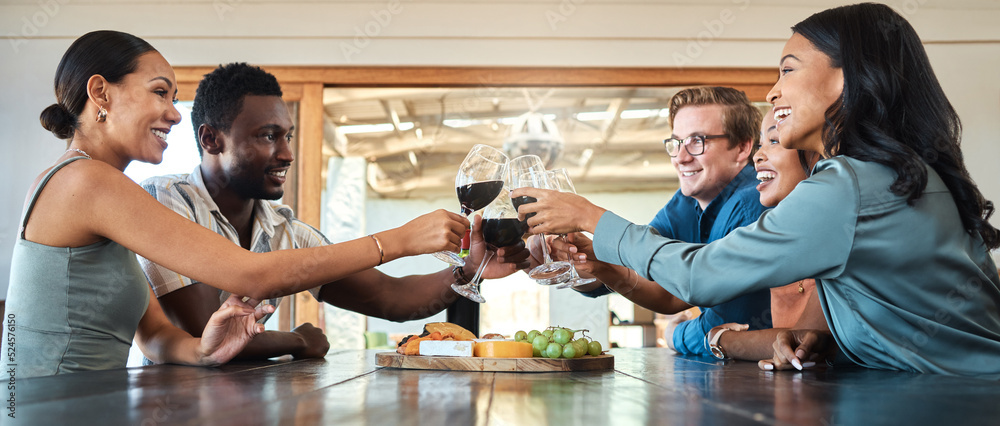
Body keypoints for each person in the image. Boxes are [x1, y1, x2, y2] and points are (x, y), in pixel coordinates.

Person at [514, 3, 1000, 377]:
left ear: (848, 79)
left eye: (788, 70)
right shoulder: (900, 173)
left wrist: (589, 216)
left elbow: (697, 278)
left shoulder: (846, 184)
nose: (772, 92)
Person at [0, 31, 467, 377]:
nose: (172, 113)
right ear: (101, 93)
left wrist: (205, 349)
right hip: (46, 406)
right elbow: (250, 275)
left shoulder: (103, 190)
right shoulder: (87, 182)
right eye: (160, 92)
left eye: (175, 97)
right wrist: (399, 240)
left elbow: (159, 337)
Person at [138, 63, 529, 360]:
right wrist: (299, 340)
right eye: (267, 136)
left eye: (287, 135)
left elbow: (390, 298)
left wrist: (467, 270)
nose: (287, 153)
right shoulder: (166, 199)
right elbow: (207, 333)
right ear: (211, 139)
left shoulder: (285, 229)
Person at [554, 86, 772, 357]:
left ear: (742, 147)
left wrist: (674, 334)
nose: (681, 157)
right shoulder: (687, 201)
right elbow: (639, 264)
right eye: (676, 142)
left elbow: (733, 328)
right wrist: (583, 261)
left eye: (697, 141)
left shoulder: (753, 203)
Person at [709, 111, 827, 362]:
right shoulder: (781, 233)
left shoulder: (838, 229)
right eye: (760, 143)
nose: (757, 155)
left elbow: (800, 341)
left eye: (774, 141)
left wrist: (722, 339)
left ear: (818, 155)